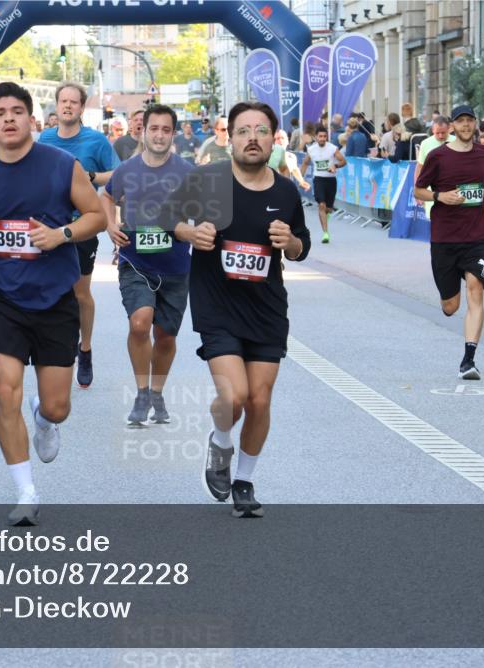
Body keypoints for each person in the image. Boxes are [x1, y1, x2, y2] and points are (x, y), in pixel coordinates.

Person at [0, 82, 105, 526]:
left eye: (17, 111)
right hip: (3, 298)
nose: (9, 119)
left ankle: (44, 420)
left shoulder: (62, 166)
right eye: (1, 113)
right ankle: (26, 491)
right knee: (4, 386)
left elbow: (96, 216)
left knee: (57, 407)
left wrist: (60, 235)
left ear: (32, 120)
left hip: (54, 300)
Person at [160, 101, 310, 518]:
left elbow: (302, 246)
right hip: (217, 303)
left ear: (273, 138)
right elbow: (169, 215)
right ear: (231, 137)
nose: (252, 139)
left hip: (265, 308)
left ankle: (244, 481)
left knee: (260, 401)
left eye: (261, 131)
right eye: (243, 131)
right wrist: (191, 232)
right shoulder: (208, 179)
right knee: (235, 395)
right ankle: (221, 442)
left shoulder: (284, 190)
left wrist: (290, 242)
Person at [102, 104, 194, 426]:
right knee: (140, 324)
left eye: (165, 130)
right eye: (153, 128)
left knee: (166, 336)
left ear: (173, 134)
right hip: (135, 261)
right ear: (144, 130)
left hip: (176, 265)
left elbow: (204, 215)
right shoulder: (127, 170)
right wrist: (110, 224)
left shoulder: (186, 171)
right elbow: (106, 196)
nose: (158, 135)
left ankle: (157, 391)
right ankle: (142, 391)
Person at [38, 82, 120, 388]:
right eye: (63, 101)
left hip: (83, 225)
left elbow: (117, 174)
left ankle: (84, 349)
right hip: (48, 225)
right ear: (57, 106)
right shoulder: (45, 139)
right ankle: (56, 350)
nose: (68, 106)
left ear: (82, 108)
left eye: (74, 102)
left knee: (80, 293)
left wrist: (92, 177)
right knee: (50, 290)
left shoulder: (96, 142)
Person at [413, 105, 484, 381]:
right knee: (450, 306)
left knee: (476, 290)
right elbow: (418, 189)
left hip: (477, 238)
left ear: (475, 124)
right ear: (452, 126)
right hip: (444, 239)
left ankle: (469, 360)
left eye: (469, 121)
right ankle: (449, 297)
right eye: (460, 121)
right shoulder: (438, 156)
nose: (465, 126)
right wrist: (440, 197)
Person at [300, 125, 345, 244]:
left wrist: (335, 166)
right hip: (319, 179)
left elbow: (343, 161)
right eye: (320, 136)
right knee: (321, 205)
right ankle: (325, 233)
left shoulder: (332, 148)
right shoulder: (311, 149)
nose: (322, 138)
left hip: (331, 180)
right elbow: (305, 163)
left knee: (328, 208)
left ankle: (326, 216)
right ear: (316, 137)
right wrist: (300, 179)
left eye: (324, 136)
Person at [415, 116, 455, 217]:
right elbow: (420, 167)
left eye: (443, 133)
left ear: (449, 129)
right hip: (431, 190)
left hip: (453, 188)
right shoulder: (425, 143)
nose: (440, 136)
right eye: (437, 133)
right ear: (432, 130)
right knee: (434, 219)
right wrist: (417, 190)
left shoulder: (457, 141)